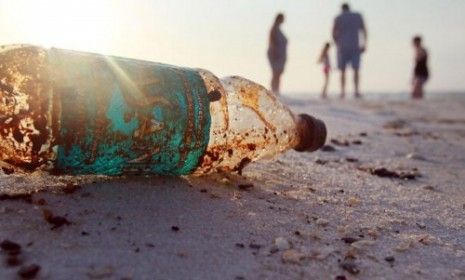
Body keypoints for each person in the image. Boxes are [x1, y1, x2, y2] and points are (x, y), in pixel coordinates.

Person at [332, 3, 367, 98]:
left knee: (343, 71)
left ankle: (343, 92)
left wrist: (337, 43)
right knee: (356, 70)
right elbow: (364, 30)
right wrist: (364, 44)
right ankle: (356, 91)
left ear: (342, 9)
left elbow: (333, 32)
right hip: (355, 46)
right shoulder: (357, 16)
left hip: (342, 47)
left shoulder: (338, 17)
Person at [267, 13, 287, 95]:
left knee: (277, 74)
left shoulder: (277, 29)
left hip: (279, 55)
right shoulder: (274, 28)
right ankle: (274, 91)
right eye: (283, 18)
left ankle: (276, 91)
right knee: (275, 73)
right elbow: (272, 42)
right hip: (275, 54)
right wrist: (275, 53)